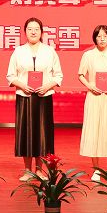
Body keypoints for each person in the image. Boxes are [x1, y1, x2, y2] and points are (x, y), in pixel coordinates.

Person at [6, 17, 63, 180]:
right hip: (25, 97)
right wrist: (22, 85)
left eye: (36, 29)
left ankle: (39, 170)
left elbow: (58, 75)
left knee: (42, 134)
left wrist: (47, 86)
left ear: (41, 32)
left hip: (44, 97)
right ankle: (27, 170)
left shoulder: (49, 51)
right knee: (26, 133)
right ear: (25, 32)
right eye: (30, 29)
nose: (33, 32)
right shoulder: (18, 51)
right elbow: (10, 75)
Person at [77, 24, 107, 180]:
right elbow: (80, 75)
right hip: (94, 96)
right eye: (99, 36)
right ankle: (97, 170)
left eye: (105, 36)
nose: (102, 39)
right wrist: (90, 86)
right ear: (95, 38)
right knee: (94, 130)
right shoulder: (88, 55)